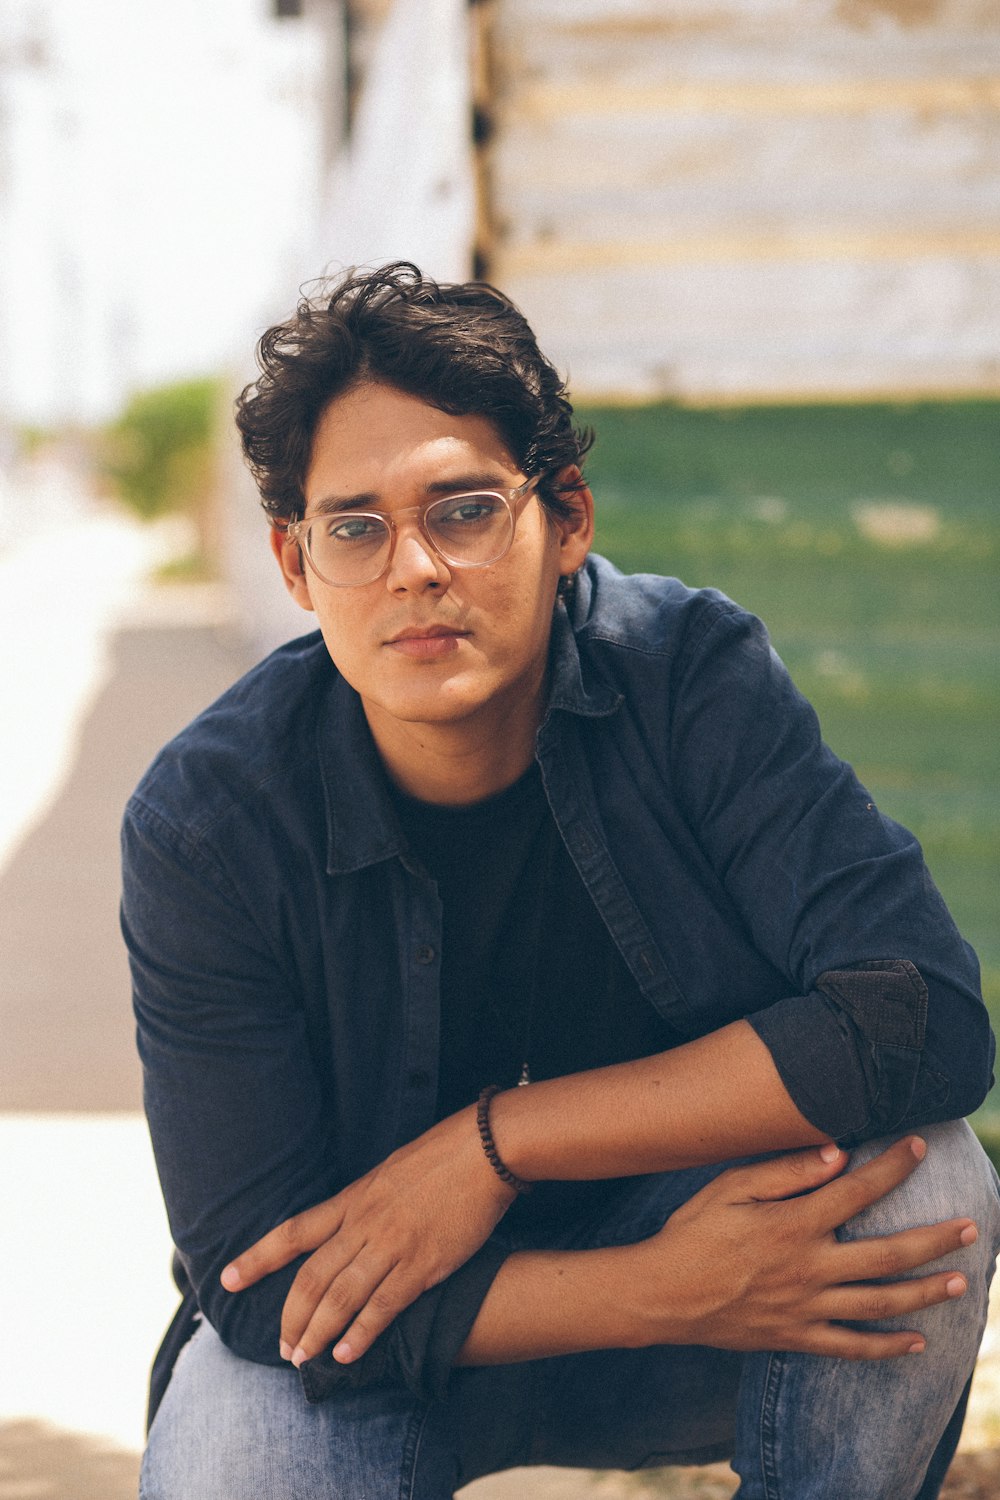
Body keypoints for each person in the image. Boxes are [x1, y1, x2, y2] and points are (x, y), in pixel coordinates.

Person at [122, 263, 999, 1500]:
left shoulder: (685, 675)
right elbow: (260, 1283)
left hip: (725, 1310)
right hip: (408, 1342)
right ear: (294, 563)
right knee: (234, 1449)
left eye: (464, 509)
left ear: (566, 519)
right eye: (355, 528)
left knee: (926, 1179)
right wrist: (652, 1289)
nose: (413, 568)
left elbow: (919, 1018)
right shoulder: (209, 822)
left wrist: (493, 1148)